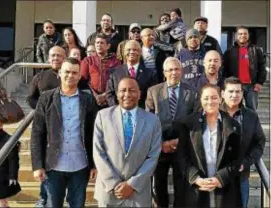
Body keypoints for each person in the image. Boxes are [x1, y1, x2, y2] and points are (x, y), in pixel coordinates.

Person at [30, 58, 98, 207]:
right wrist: (37, 165)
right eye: (67, 71)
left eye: (75, 72)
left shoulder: (88, 99)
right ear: (60, 73)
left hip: (80, 165)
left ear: (80, 76)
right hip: (53, 166)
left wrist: (94, 164)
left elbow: (94, 134)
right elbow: (37, 133)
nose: (70, 75)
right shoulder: (46, 98)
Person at [93, 77, 162, 207]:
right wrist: (114, 184)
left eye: (132, 90)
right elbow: (98, 153)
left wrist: (132, 184)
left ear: (140, 93)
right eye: (123, 90)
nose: (127, 94)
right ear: (117, 94)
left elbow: (153, 156)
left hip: (138, 193)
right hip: (109, 191)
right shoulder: (103, 116)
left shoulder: (153, 121)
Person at [177, 84, 242, 207]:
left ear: (220, 99)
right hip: (196, 188)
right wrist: (196, 178)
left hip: (224, 188)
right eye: (206, 98)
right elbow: (181, 157)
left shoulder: (232, 125)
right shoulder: (188, 124)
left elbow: (236, 159)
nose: (210, 102)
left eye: (214, 97)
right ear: (200, 100)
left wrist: (220, 178)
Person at [145, 57, 198, 207]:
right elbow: (148, 122)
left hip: (182, 146)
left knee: (181, 184)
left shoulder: (193, 92)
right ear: (164, 72)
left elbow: (195, 120)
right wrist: (160, 143)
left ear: (181, 71)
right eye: (170, 70)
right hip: (159, 146)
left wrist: (180, 141)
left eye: (176, 69)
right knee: (159, 184)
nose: (173, 73)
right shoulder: (153, 91)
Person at [220, 77, 266, 208]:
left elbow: (259, 142)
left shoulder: (251, 116)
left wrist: (245, 162)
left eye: (238, 91)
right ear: (223, 93)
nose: (234, 95)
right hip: (216, 176)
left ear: (242, 93)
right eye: (230, 91)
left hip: (241, 177)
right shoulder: (213, 113)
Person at [223, 26, 267, 111]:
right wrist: (226, 83)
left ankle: (250, 124)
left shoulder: (256, 50)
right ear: (236, 36)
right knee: (233, 109)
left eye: (245, 33)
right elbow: (224, 69)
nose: (243, 35)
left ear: (248, 35)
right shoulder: (229, 51)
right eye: (240, 34)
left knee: (252, 110)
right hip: (235, 86)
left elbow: (262, 67)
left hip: (251, 86)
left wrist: (260, 82)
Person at [107, 40, 157, 108]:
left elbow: (152, 95)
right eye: (128, 50)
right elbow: (109, 94)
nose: (131, 52)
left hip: (142, 113)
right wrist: (118, 109)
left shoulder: (150, 73)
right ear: (124, 52)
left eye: (135, 50)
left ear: (140, 52)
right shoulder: (114, 72)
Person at [81, 33, 121, 108]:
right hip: (92, 98)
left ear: (108, 46)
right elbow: (83, 81)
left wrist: (105, 95)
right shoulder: (88, 60)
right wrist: (96, 96)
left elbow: (117, 81)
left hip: (110, 98)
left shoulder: (116, 61)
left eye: (102, 43)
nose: (99, 45)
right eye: (97, 43)